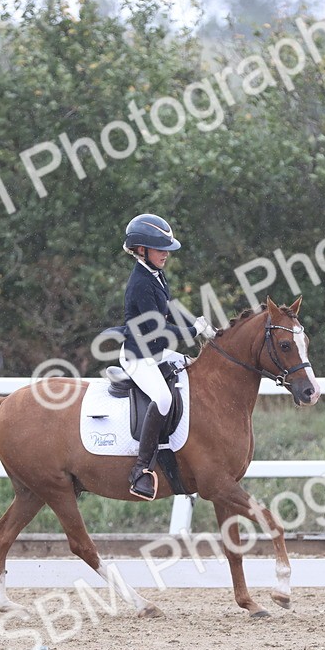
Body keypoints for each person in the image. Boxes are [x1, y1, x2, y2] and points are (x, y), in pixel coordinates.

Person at [120, 213, 215, 500]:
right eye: (160, 249)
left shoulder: (155, 274)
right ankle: (141, 469)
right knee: (162, 399)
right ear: (141, 250)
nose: (166, 254)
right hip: (139, 356)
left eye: (166, 249)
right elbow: (157, 329)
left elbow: (170, 308)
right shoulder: (140, 283)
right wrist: (192, 331)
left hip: (157, 351)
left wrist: (200, 325)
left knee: (192, 370)